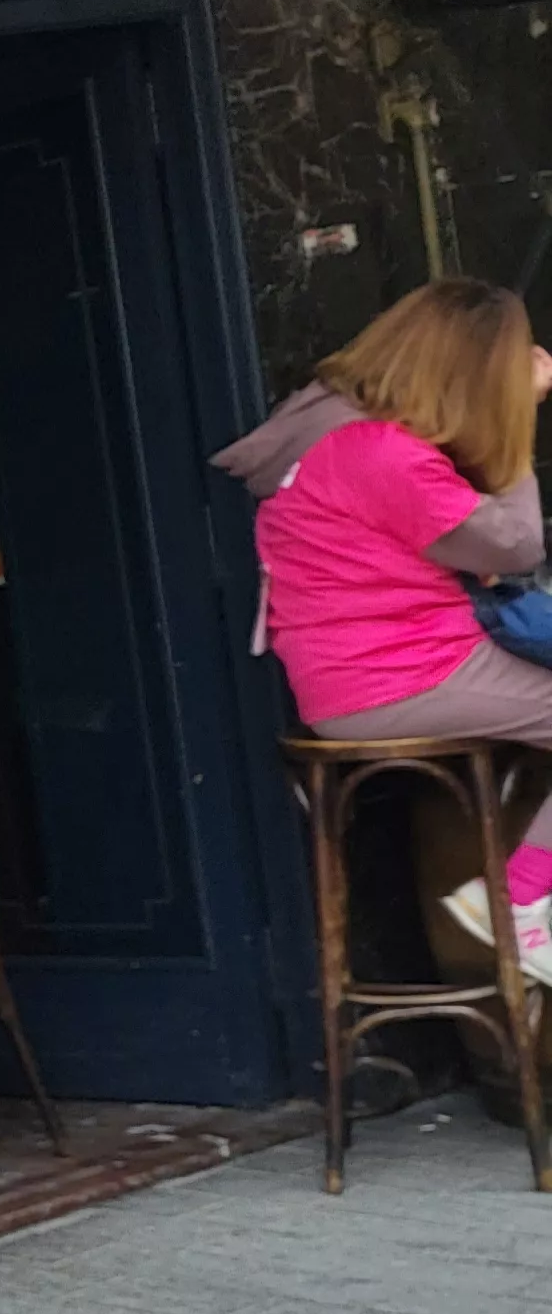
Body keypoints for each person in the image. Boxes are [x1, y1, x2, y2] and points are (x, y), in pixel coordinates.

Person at [220, 279, 552, 973]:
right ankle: (515, 905)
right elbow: (515, 545)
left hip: (373, 671)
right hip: (398, 676)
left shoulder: (338, 436)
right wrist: (519, 420)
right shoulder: (381, 453)